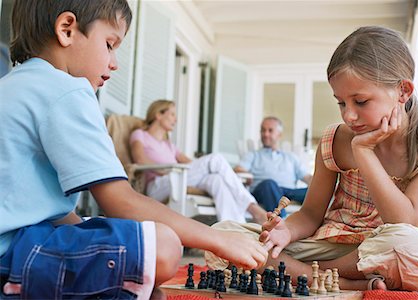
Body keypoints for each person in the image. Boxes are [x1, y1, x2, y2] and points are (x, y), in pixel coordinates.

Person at [0, 1, 268, 298]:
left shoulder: (12, 85)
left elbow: (55, 211)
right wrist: (217, 239)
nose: (115, 63)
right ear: (67, 30)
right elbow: (120, 201)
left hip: (17, 244)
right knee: (164, 244)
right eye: (110, 44)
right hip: (13, 254)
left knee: (131, 247)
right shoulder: (67, 90)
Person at [205, 26, 418, 292]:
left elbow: (404, 222)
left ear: (403, 91)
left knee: (416, 253)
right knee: (223, 234)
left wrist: (364, 153)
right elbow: (310, 214)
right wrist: (286, 231)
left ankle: (307, 275)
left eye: (361, 101)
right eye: (341, 103)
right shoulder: (334, 139)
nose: (349, 116)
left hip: (385, 247)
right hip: (329, 245)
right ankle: (343, 281)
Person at [129, 100, 268, 225]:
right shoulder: (140, 134)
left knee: (216, 179)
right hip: (158, 186)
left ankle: (235, 230)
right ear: (158, 114)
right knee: (215, 159)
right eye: (172, 114)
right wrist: (170, 170)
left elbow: (194, 164)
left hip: (177, 179)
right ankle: (253, 209)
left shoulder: (169, 145)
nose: (175, 119)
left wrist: (224, 172)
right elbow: (140, 160)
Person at [234, 116, 312, 218]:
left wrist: (324, 185)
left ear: (279, 134)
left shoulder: (291, 157)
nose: (265, 134)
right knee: (269, 184)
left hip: (288, 194)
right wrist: (248, 176)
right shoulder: (253, 155)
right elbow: (239, 169)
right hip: (263, 192)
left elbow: (308, 178)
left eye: (270, 130)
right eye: (263, 130)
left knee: (318, 192)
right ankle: (280, 222)